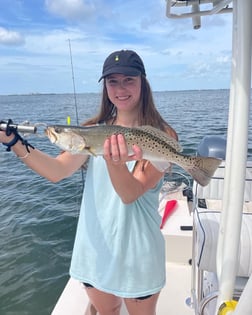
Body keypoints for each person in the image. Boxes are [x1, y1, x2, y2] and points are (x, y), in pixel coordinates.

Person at [0, 50, 177, 315]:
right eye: (112, 81)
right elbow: (56, 170)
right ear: (105, 87)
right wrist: (14, 142)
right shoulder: (91, 130)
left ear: (143, 82)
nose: (120, 88)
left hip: (139, 251)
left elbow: (130, 194)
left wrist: (112, 162)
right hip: (95, 249)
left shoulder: (162, 135)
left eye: (129, 79)